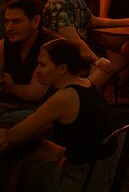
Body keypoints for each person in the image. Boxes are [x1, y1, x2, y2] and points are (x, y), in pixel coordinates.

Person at [0, 39, 115, 190]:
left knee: (14, 157)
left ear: (62, 68)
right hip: (100, 167)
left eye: (42, 65)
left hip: (85, 179)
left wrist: (6, 135)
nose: (37, 71)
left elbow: (16, 135)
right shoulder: (86, 84)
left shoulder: (65, 97)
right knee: (31, 145)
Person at [42, 0, 129, 87]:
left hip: (80, 49)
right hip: (64, 54)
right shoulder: (63, 0)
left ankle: (96, 91)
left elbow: (92, 21)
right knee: (104, 68)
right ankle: (79, 93)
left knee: (121, 58)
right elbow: (73, 39)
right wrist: (97, 61)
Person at [0, 0, 58, 118]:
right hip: (13, 104)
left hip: (44, 109)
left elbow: (36, 92)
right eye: (6, 21)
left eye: (16, 21)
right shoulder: (5, 44)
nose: (8, 28)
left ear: (35, 21)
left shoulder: (51, 46)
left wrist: (9, 87)